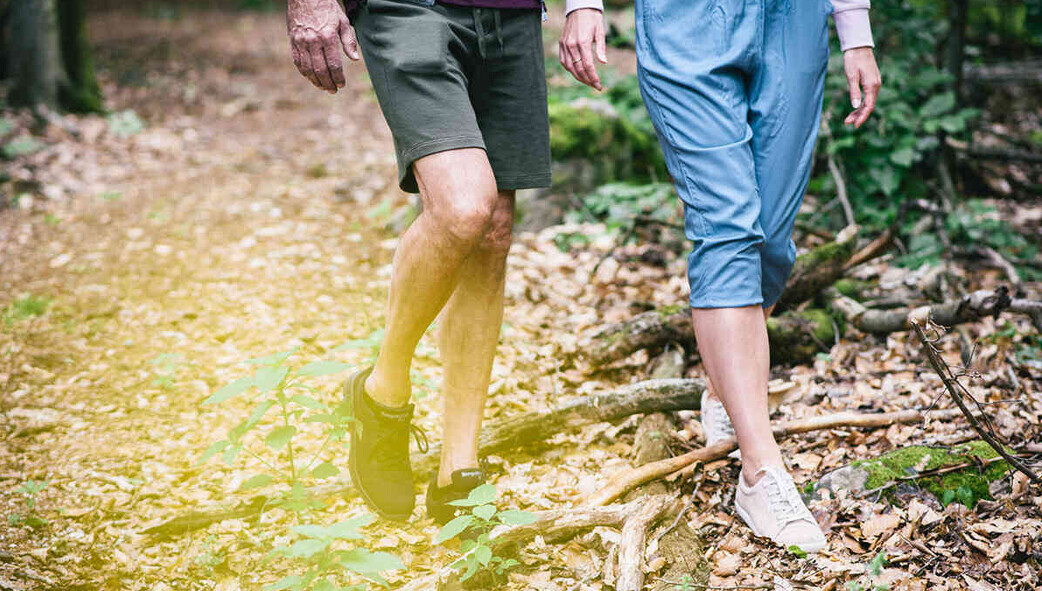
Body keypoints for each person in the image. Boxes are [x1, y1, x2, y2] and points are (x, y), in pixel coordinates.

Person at [561, 0, 881, 552]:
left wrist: (856, 30)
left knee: (771, 242)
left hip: (794, 19)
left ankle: (723, 389)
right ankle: (760, 471)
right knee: (727, 226)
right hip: (685, 18)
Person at [286, 0, 607, 524]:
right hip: (406, 8)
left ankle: (459, 471)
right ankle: (383, 392)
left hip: (511, 17)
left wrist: (584, 2)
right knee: (463, 208)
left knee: (493, 232)